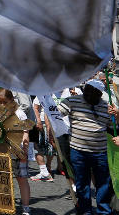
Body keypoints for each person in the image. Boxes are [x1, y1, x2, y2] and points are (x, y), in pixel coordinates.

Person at [60, 79, 115, 215]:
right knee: (82, 183)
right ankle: (85, 211)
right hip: (78, 152)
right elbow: (57, 114)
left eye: (94, 93)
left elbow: (112, 127)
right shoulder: (72, 101)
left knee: (103, 183)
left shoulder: (106, 107)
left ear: (100, 94)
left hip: (100, 152)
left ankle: (104, 211)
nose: (90, 95)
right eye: (88, 91)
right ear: (85, 90)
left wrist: (116, 116)